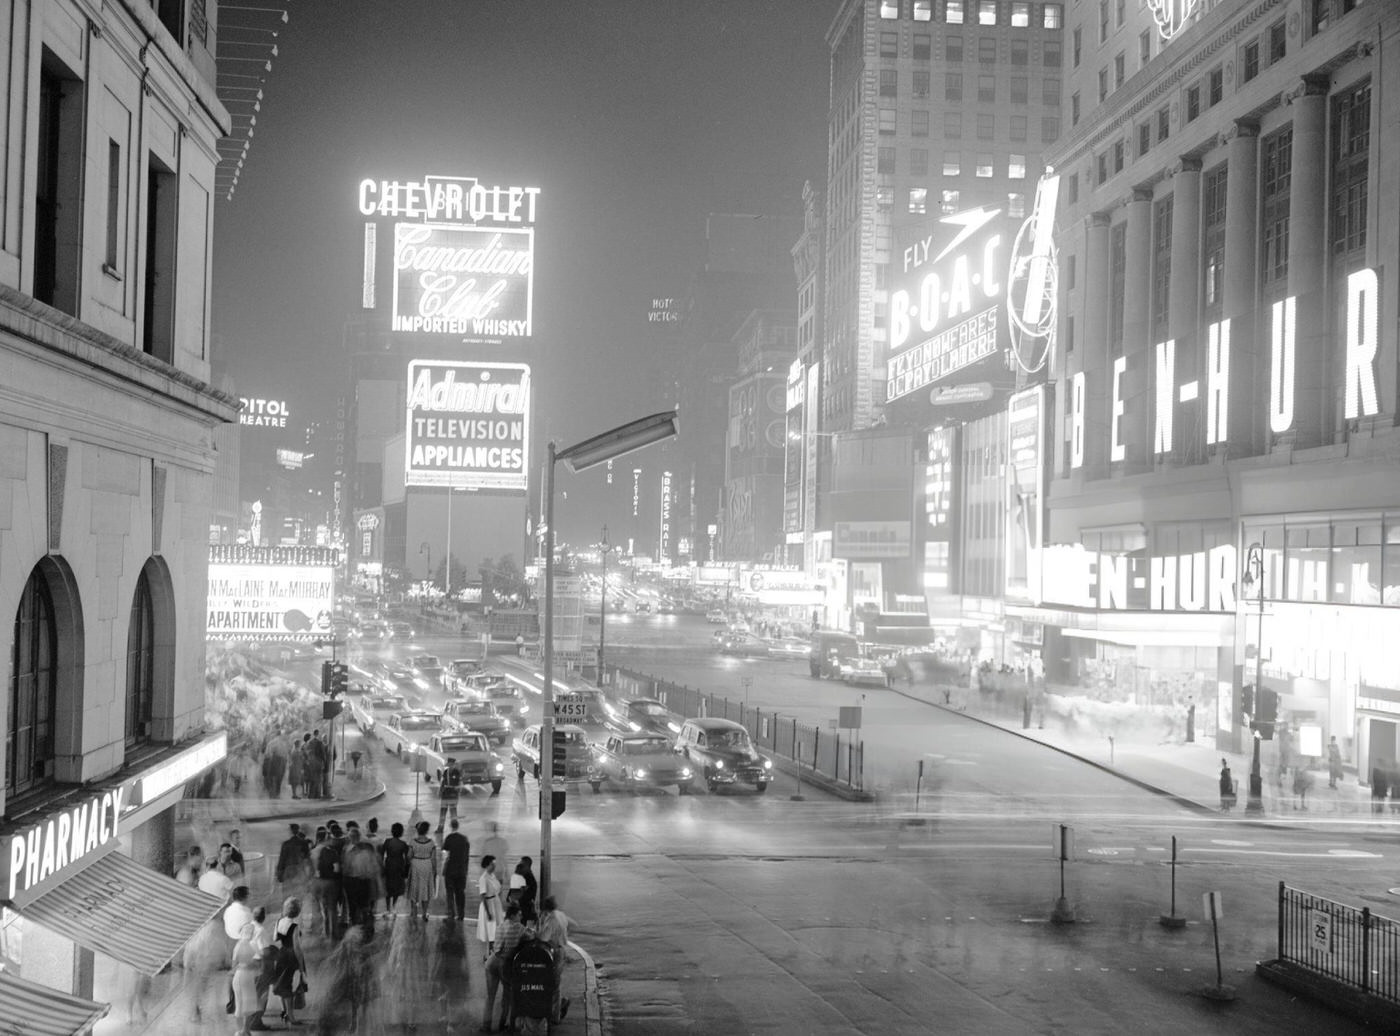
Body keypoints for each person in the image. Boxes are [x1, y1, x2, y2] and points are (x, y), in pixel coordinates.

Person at [316, 925, 379, 1035]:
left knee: (357, 1005)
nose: (354, 945)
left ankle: (355, 1025)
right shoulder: (348, 948)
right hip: (349, 982)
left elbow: (368, 961)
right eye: (353, 942)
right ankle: (353, 1025)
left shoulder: (356, 950)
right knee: (354, 1004)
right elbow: (334, 958)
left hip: (356, 983)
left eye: (356, 942)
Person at [482, 900, 525, 1032]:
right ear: (513, 916)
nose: (521, 917)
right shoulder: (519, 928)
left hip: (492, 961)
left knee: (490, 997)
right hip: (505, 963)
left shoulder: (502, 925)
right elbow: (532, 935)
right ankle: (502, 1024)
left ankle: (486, 1025)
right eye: (519, 914)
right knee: (507, 996)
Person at [536, 894, 572, 1022]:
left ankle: (555, 1015)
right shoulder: (560, 915)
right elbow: (570, 924)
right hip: (562, 949)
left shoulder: (551, 920)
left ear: (545, 909)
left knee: (553, 984)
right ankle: (556, 1009)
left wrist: (538, 928)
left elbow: (543, 937)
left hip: (554, 952)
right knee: (555, 983)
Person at [272, 897, 307, 1027]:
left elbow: (275, 938)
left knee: (282, 984)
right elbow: (297, 947)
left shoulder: (278, 921)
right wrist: (301, 965)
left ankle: (284, 1012)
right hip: (291, 956)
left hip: (281, 954)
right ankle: (291, 1017)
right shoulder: (295, 926)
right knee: (289, 986)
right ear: (297, 911)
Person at [341, 827, 381, 929]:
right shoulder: (368, 848)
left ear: (350, 838)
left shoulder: (347, 849)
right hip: (364, 881)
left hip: (352, 881)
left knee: (354, 907)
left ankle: (355, 927)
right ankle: (366, 927)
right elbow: (374, 866)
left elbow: (345, 868)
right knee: (364, 906)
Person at [231, 921, 263, 1036]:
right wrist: (252, 965)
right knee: (248, 1004)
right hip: (246, 977)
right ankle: (245, 1030)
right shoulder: (252, 945)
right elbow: (258, 962)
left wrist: (244, 964)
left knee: (240, 1004)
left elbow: (233, 964)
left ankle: (240, 1031)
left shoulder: (238, 945)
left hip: (239, 976)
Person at [310, 826, 342, 938]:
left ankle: (323, 932)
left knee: (319, 908)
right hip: (329, 883)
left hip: (316, 882)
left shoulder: (313, 851)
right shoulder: (331, 852)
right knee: (332, 909)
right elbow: (337, 869)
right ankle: (332, 933)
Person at [408, 820, 439, 922]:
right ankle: (425, 913)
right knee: (425, 889)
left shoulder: (413, 842)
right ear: (426, 831)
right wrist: (435, 870)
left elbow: (409, 856)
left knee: (414, 889)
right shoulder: (431, 843)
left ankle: (413, 912)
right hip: (427, 865)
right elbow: (433, 859)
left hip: (415, 865)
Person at [441, 819, 471, 922]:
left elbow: (445, 851)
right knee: (460, 893)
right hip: (461, 870)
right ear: (458, 826)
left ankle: (451, 914)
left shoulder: (449, 838)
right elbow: (467, 856)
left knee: (450, 893)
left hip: (450, 870)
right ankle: (461, 914)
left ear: (451, 826)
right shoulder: (464, 839)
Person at [380, 822, 411, 918]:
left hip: (389, 865)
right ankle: (393, 907)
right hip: (399, 866)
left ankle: (387, 908)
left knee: (388, 887)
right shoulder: (403, 844)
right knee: (397, 888)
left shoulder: (387, 842)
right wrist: (406, 870)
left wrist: (381, 866)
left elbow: (381, 854)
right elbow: (407, 858)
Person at [276, 824, 311, 894]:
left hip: (288, 870)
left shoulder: (286, 844)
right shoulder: (304, 843)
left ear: (291, 831)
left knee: (287, 892)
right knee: (299, 892)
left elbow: (282, 859)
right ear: (298, 831)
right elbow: (307, 858)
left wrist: (279, 872)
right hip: (299, 869)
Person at [477, 855, 501, 954]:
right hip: (489, 905)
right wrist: (488, 912)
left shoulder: (492, 876)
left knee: (496, 930)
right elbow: (483, 896)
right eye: (492, 864)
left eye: (494, 864)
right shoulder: (483, 878)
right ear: (487, 865)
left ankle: (493, 952)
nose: (494, 866)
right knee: (491, 930)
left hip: (495, 903)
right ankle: (491, 953)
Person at [436, 756, 463, 833]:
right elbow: (443, 782)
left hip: (453, 794)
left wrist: (458, 791)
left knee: (453, 812)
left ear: (454, 765)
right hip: (445, 794)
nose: (451, 766)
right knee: (443, 812)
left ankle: (454, 829)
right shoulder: (446, 772)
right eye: (450, 764)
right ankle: (440, 828)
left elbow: (459, 784)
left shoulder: (457, 772)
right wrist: (440, 791)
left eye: (452, 764)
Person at [507, 857, 538, 924]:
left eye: (522, 864)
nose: (520, 865)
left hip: (524, 910)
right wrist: (509, 898)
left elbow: (529, 895)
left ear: (527, 865)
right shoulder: (521, 876)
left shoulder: (530, 879)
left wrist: (517, 901)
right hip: (518, 908)